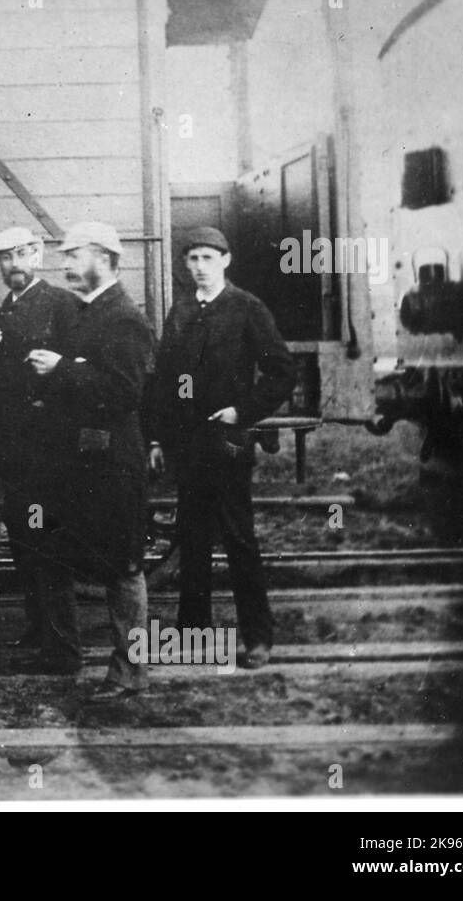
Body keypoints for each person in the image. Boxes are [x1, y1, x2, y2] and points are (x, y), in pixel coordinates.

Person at [145, 226, 294, 669]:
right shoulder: (182, 311)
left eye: (208, 258)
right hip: (188, 444)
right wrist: (157, 437)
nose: (199, 267)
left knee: (237, 537)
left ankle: (257, 637)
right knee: (192, 538)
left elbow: (282, 373)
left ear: (225, 261)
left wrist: (240, 413)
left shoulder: (247, 308)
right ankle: (193, 630)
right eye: (192, 259)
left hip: (228, 442)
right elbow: (166, 381)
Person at [25, 222, 154, 692]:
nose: (64, 267)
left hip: (112, 466)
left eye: (74, 257)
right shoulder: (79, 313)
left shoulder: (124, 318)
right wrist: (59, 372)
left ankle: (130, 673)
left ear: (105, 259)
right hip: (75, 463)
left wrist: (63, 369)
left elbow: (122, 393)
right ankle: (64, 658)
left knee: (124, 567)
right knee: (57, 554)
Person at [0, 226, 82, 668]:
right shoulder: (5, 310)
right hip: (16, 450)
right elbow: (3, 378)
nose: (13, 263)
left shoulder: (62, 304)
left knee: (49, 546)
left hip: (50, 450)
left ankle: (62, 648)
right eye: (4, 257)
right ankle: (40, 629)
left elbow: (80, 367)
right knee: (25, 543)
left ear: (37, 255)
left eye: (21, 254)